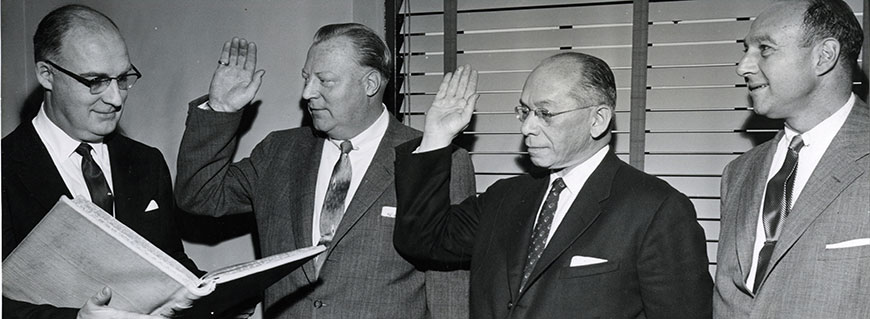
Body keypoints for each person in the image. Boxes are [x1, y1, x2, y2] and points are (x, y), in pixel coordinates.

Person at [175, 23, 475, 319]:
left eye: (324, 80)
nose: (307, 92)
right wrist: (220, 110)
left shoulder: (432, 158)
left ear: (370, 84)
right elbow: (200, 196)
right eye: (306, 78)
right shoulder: (278, 152)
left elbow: (449, 288)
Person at [392, 53, 713, 318]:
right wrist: (437, 136)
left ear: (598, 120)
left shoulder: (656, 209)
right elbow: (422, 239)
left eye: (545, 113)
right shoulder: (505, 198)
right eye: (525, 111)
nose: (528, 127)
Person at [1, 4, 199, 319]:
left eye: (123, 79)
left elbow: (169, 263)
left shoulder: (147, 162)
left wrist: (218, 296)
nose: (116, 98)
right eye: (95, 81)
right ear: (46, 74)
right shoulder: (4, 168)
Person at [714, 0, 868, 318]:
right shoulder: (738, 172)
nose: (743, 66)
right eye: (746, 50)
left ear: (824, 56)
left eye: (765, 49)